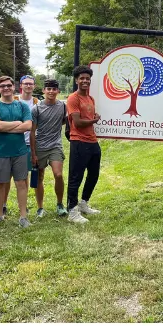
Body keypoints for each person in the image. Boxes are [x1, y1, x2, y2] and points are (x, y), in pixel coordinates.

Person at [0, 76, 34, 228]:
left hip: (19, 151)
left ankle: (23, 217)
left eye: (9, 85)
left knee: (21, 183)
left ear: (14, 87)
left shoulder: (22, 106)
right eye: (2, 86)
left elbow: (28, 126)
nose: (6, 88)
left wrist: (5, 126)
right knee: (0, 184)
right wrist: (16, 123)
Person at [65, 65, 103, 224]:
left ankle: (83, 203)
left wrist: (94, 117)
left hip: (92, 141)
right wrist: (94, 120)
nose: (85, 81)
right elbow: (78, 122)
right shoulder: (73, 98)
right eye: (82, 78)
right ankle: (72, 211)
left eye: (87, 78)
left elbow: (87, 117)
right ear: (76, 80)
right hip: (78, 141)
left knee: (94, 174)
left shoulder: (90, 98)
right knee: (76, 176)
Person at [30, 79, 68, 218]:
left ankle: (60, 204)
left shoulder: (63, 106)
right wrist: (33, 153)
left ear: (58, 91)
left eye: (54, 89)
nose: (51, 91)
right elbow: (32, 132)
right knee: (39, 177)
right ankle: (40, 208)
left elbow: (64, 120)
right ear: (43, 91)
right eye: (48, 89)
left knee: (58, 174)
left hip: (55, 146)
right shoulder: (36, 108)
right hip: (40, 146)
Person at [18, 76, 41, 193]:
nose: (28, 86)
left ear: (34, 86)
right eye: (25, 83)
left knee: (30, 175)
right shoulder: (14, 100)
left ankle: (27, 203)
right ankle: (4, 204)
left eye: (30, 84)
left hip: (32, 143)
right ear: (20, 85)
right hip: (17, 142)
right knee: (17, 176)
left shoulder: (38, 103)